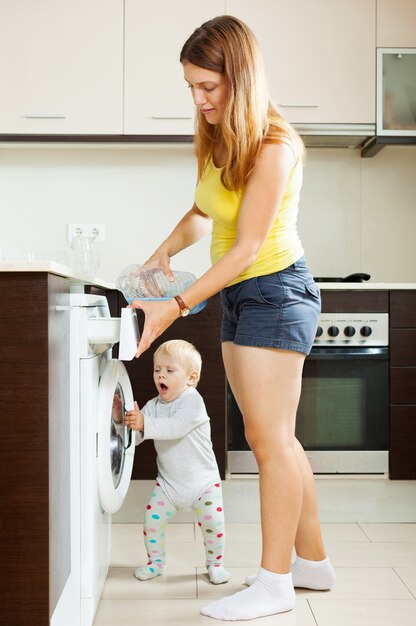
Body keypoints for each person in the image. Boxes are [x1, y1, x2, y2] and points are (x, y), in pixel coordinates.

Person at [129, 14, 335, 621]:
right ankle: (312, 564)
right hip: (243, 296)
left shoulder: (275, 144)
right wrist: (162, 254)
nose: (199, 98)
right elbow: (204, 211)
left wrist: (174, 307)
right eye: (191, 86)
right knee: (276, 439)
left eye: (208, 87)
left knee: (268, 442)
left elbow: (246, 246)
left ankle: (275, 585)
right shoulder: (221, 136)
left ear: (240, 78)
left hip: (275, 290)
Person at [124, 339, 231, 586]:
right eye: (157, 369)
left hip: (203, 483)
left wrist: (144, 424)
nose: (161, 375)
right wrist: (130, 422)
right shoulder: (153, 406)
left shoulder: (192, 401)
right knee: (152, 522)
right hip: (169, 484)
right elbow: (139, 438)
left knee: (213, 525)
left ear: (191, 379)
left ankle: (215, 564)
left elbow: (176, 428)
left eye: (170, 371)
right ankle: (156, 563)